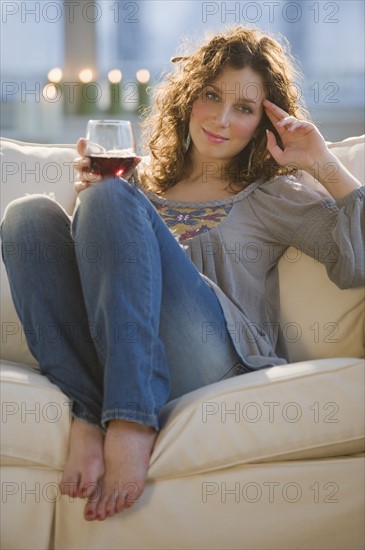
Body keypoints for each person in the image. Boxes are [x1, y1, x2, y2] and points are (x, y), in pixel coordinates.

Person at [1, 26, 364, 522]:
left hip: (213, 360)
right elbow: (86, 287)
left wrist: (322, 163)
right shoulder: (137, 183)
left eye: (244, 108)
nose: (220, 118)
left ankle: (131, 421)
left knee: (110, 196)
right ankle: (89, 410)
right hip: (118, 353)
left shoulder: (272, 194)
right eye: (211, 96)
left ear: (263, 124)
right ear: (189, 96)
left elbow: (358, 261)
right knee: (27, 216)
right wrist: (98, 207)